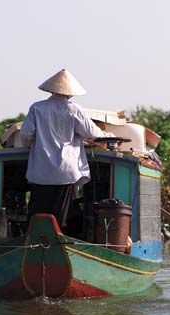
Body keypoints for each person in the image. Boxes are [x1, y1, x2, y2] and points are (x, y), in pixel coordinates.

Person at [20, 68, 114, 228]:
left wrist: (33, 145)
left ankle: (35, 240)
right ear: (70, 93)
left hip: (41, 171)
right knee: (61, 216)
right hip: (66, 171)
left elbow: (26, 136)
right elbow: (91, 133)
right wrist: (109, 135)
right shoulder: (73, 109)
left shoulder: (37, 108)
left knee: (37, 213)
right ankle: (60, 241)